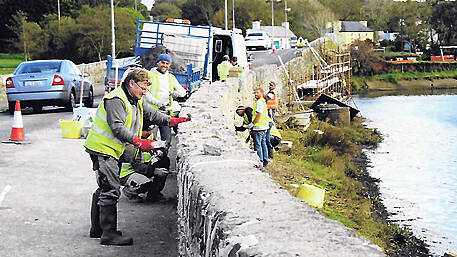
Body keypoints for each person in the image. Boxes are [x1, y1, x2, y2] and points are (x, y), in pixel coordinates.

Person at [84, 68, 189, 246]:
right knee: (110, 189)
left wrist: (171, 120)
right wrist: (139, 142)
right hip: (103, 149)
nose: (144, 92)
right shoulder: (116, 99)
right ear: (131, 83)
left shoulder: (135, 99)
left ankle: (97, 229)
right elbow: (117, 127)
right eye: (143, 88)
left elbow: (152, 114)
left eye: (147, 89)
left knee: (104, 186)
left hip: (111, 149)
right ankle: (109, 234)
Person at [145, 53, 187, 142]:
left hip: (165, 112)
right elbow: (146, 93)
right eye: (162, 63)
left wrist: (177, 93)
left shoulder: (170, 77)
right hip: (151, 112)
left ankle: (164, 155)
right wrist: (158, 103)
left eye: (167, 63)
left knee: (167, 138)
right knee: (150, 138)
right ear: (157, 63)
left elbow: (183, 92)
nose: (164, 65)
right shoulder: (150, 75)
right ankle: (152, 155)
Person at [249, 88, 273, 167]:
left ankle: (260, 161)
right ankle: (265, 161)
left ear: (262, 93)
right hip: (264, 126)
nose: (255, 94)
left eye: (257, 93)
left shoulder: (259, 102)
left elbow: (258, 115)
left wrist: (252, 123)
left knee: (258, 145)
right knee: (263, 143)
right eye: (254, 93)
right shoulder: (262, 101)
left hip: (259, 127)